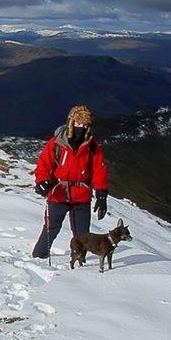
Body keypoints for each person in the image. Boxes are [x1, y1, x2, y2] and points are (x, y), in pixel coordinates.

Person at [31, 104, 109, 260]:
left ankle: (80, 262)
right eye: (79, 123)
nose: (82, 127)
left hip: (81, 196)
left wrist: (101, 195)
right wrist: (41, 181)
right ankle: (39, 256)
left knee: (82, 234)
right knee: (51, 227)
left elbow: (99, 171)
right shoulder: (56, 143)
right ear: (71, 122)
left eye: (85, 124)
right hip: (58, 193)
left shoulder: (92, 147)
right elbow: (44, 164)